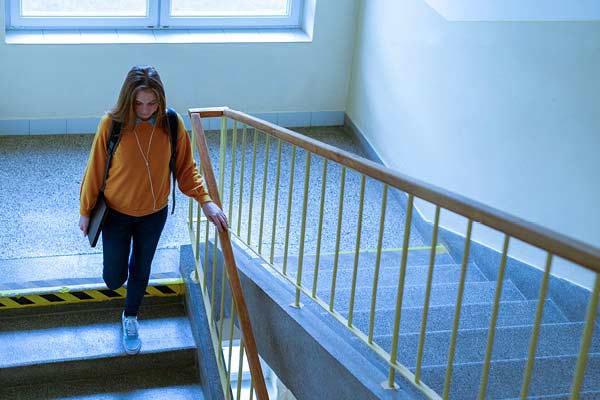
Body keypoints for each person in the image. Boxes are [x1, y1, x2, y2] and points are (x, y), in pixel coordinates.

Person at [79, 65, 228, 355]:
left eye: (152, 103)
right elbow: (94, 170)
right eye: (138, 103)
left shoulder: (171, 124)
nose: (145, 109)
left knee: (141, 267)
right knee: (113, 278)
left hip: (154, 214)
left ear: (160, 99)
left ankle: (130, 316)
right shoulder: (111, 124)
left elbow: (186, 169)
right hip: (117, 215)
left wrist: (206, 200)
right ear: (128, 100)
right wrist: (86, 210)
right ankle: (119, 277)